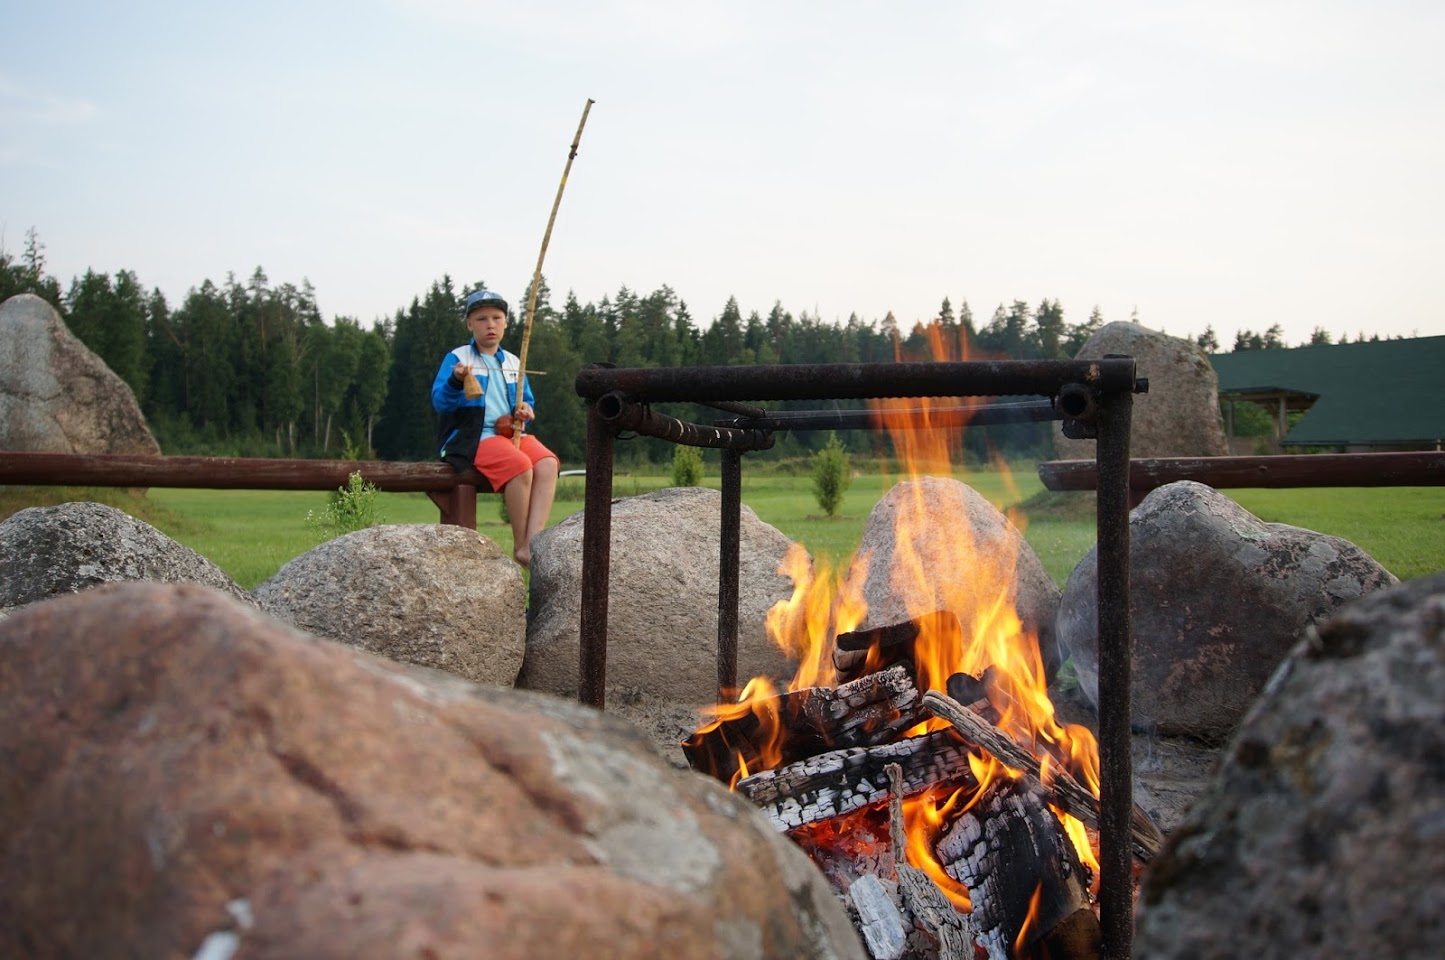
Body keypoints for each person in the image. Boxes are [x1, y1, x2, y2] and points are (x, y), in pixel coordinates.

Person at [432, 288, 559, 568]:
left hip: (511, 433)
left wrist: (525, 409)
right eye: (481, 319)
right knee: (520, 465)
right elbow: (441, 402)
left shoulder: (514, 361)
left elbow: (526, 399)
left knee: (548, 463)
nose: (490, 324)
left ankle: (534, 540)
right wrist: (455, 381)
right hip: (473, 438)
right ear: (469, 324)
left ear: (506, 323)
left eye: (496, 318)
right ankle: (521, 547)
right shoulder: (459, 358)